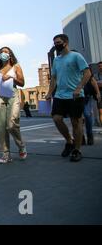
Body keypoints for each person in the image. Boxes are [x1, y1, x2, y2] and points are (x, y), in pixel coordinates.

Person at [45, 34, 91, 162]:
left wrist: (79, 88)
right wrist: (49, 93)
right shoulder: (56, 60)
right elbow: (53, 78)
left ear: (65, 42)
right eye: (54, 43)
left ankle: (77, 150)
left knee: (75, 122)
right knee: (56, 118)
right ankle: (69, 141)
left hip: (75, 95)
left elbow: (87, 73)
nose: (56, 45)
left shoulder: (76, 56)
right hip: (60, 95)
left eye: (58, 42)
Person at [0, 47, 27, 164]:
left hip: (12, 94)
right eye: (1, 52)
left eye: (6, 51)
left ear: (10, 54)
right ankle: (6, 154)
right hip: (0, 96)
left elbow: (22, 83)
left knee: (11, 124)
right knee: (1, 126)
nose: (3, 53)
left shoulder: (16, 66)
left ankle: (21, 146)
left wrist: (11, 77)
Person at [82, 69, 101, 145]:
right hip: (74, 96)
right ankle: (81, 137)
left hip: (87, 96)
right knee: (77, 118)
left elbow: (93, 81)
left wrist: (98, 93)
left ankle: (90, 135)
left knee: (87, 115)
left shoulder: (84, 67)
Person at [96, 62, 102, 127]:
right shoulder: (96, 75)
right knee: (100, 111)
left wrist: (98, 84)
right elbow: (95, 84)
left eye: (101, 66)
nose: (100, 67)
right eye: (99, 66)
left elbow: (98, 84)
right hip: (99, 95)